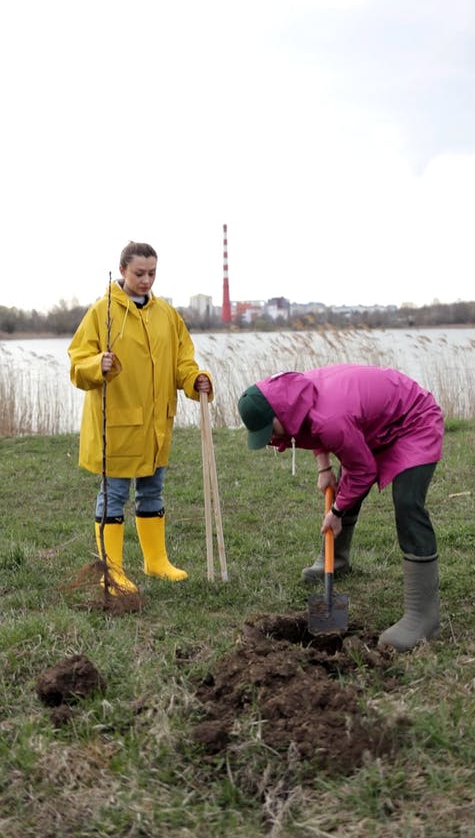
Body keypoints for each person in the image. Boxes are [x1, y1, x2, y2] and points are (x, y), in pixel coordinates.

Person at [237, 364, 443, 652]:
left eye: (269, 430)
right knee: (347, 488)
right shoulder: (294, 396)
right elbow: (308, 430)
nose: (272, 439)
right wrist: (324, 467)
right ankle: (337, 561)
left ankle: (424, 617)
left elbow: (362, 470)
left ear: (278, 414)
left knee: (408, 504)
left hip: (412, 419)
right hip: (371, 424)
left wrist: (335, 513)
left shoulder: (329, 417)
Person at [69, 241, 213, 593]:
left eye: (152, 273)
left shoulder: (167, 314)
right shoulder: (101, 312)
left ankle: (156, 562)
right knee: (114, 494)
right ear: (122, 271)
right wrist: (96, 365)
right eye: (139, 273)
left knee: (153, 492)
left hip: (156, 424)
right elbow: (77, 364)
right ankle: (112, 571)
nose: (146, 280)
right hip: (116, 424)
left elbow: (182, 361)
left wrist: (194, 380)